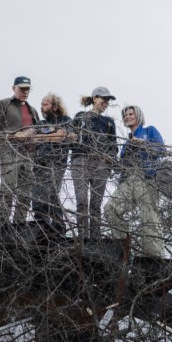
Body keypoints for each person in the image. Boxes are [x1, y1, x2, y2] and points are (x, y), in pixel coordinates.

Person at [104, 105, 165, 257]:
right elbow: (122, 166)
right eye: (125, 115)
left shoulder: (148, 131)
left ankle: (154, 257)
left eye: (131, 114)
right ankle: (122, 250)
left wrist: (142, 143)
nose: (128, 117)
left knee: (148, 217)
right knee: (110, 208)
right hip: (128, 180)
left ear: (138, 115)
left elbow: (161, 149)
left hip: (146, 177)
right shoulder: (126, 143)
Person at [0, 76, 41, 224]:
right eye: (22, 89)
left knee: (25, 194)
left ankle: (19, 226)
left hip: (28, 156)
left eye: (28, 89)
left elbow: (38, 134)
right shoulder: (3, 104)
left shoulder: (33, 111)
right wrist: (3, 150)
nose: (25, 92)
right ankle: (3, 225)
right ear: (14, 88)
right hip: (9, 153)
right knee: (8, 189)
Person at [71, 87, 118, 239]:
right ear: (95, 98)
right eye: (104, 99)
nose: (106, 102)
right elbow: (71, 139)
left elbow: (113, 146)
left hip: (101, 164)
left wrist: (109, 160)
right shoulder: (80, 117)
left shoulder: (109, 122)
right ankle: (83, 237)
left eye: (108, 100)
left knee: (96, 205)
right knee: (82, 200)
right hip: (81, 160)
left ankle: (95, 239)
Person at [31, 93, 73, 232]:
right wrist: (47, 136)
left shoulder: (66, 120)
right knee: (37, 198)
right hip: (39, 164)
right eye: (41, 104)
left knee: (50, 195)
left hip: (56, 164)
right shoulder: (42, 123)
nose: (41, 107)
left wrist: (42, 136)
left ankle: (58, 228)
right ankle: (40, 230)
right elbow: (32, 139)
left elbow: (60, 136)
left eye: (45, 104)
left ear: (54, 107)